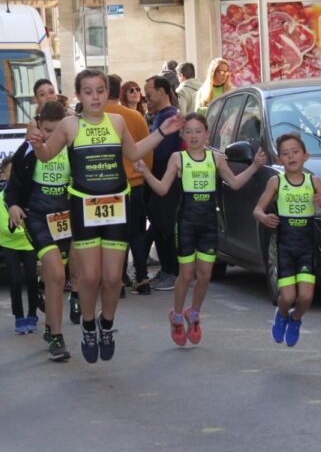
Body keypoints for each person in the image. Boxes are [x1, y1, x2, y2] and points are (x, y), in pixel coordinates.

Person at [27, 69, 182, 364]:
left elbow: (135, 152)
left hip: (116, 205)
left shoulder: (118, 121)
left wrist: (163, 131)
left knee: (112, 279)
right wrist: (37, 144)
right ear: (79, 96)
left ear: (106, 93)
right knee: (90, 277)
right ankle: (87, 324)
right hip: (83, 206)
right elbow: (46, 154)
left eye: (100, 90)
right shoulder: (69, 125)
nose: (95, 96)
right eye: (88, 91)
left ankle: (106, 324)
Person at [138, 113, 266, 345]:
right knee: (186, 274)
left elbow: (235, 183)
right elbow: (162, 189)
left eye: (199, 131)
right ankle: (177, 315)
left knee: (205, 274)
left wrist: (255, 166)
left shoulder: (216, 158)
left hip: (208, 223)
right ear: (182, 134)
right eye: (189, 131)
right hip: (186, 222)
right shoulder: (178, 158)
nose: (194, 135)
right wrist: (145, 172)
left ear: (207, 134)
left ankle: (193, 313)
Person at [254, 133, 321, 347]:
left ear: (305, 156)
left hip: (306, 248)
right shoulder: (276, 181)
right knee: (287, 297)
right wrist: (265, 217)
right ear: (280, 159)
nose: (291, 157)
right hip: (285, 247)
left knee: (306, 298)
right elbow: (257, 210)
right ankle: (282, 315)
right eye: (285, 153)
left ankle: (295, 319)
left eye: (295, 152)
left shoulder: (314, 181)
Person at [5, 101, 73, 361]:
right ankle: (57, 337)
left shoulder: (72, 147)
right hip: (37, 217)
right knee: (55, 274)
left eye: (56, 131)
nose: (49, 137)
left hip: (68, 217)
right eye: (45, 130)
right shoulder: (28, 150)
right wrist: (13, 206)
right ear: (38, 125)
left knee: (75, 271)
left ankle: (56, 319)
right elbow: (13, 186)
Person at [105, 74, 152, 296]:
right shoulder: (135, 116)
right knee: (137, 233)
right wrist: (144, 174)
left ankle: (120, 279)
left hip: (111, 185)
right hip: (136, 183)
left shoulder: (101, 118)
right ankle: (142, 277)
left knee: (116, 234)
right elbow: (147, 150)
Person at [143, 75, 182, 292]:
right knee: (159, 224)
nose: (146, 97)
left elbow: (162, 152)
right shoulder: (161, 116)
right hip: (158, 176)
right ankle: (167, 269)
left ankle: (171, 271)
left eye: (149, 92)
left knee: (165, 225)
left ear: (162, 91)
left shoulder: (169, 117)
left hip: (166, 178)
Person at [0, 155, 39, 335]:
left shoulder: (29, 194)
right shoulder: (1, 198)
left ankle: (32, 313)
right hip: (10, 244)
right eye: (11, 171)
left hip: (29, 244)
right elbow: (3, 225)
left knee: (31, 279)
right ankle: (19, 316)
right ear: (3, 175)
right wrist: (20, 229)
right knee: (15, 280)